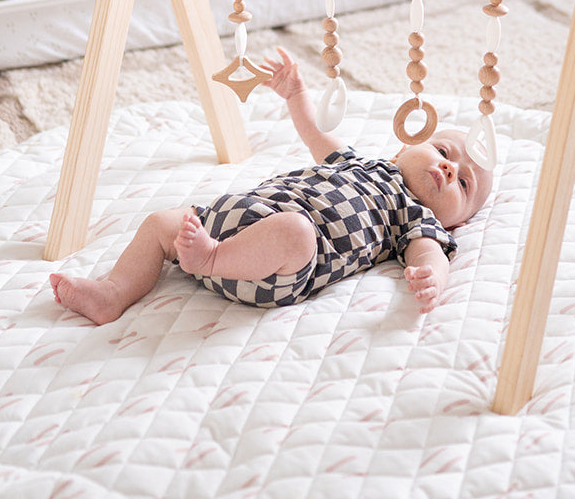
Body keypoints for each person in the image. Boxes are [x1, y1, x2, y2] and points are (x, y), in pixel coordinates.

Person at [49, 47, 492, 325]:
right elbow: (317, 134)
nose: (450, 170)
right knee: (161, 222)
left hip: (278, 267)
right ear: (402, 149)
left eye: (465, 183)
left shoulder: (415, 218)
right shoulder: (360, 163)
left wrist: (432, 276)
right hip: (225, 221)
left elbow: (429, 254)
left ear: (459, 219)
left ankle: (211, 259)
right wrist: (295, 94)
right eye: (444, 152)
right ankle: (112, 292)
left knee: (296, 231)